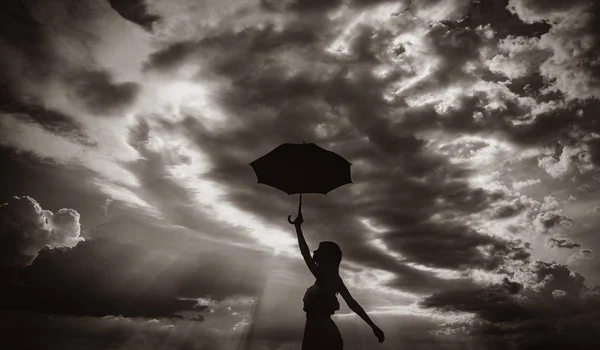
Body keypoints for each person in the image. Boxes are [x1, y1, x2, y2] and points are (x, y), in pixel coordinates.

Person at [289, 212, 385, 349]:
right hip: (318, 329)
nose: (314, 252)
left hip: (320, 332)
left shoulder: (326, 277)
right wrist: (373, 326)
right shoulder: (332, 278)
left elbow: (305, 253)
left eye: (318, 250)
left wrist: (298, 227)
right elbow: (352, 303)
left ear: (325, 256)